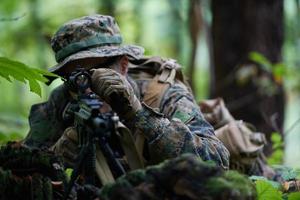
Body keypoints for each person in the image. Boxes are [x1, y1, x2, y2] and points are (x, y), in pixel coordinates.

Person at [23, 15, 229, 179]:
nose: (87, 87)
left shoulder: (162, 94)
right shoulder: (61, 101)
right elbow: (20, 172)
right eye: (76, 77)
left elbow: (217, 163)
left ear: (123, 66)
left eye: (98, 72)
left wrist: (140, 116)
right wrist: (57, 155)